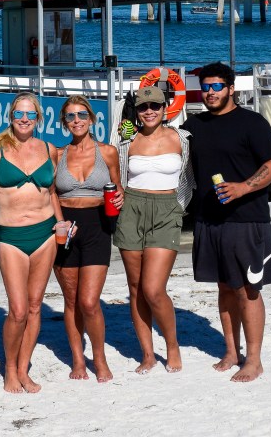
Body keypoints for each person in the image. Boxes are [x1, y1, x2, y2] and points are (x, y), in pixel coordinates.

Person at [182, 62, 271, 383]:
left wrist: (243, 187)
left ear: (230, 89)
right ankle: (231, 351)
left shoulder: (251, 122)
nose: (210, 93)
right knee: (224, 287)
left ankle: (253, 359)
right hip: (208, 217)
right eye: (205, 88)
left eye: (216, 87)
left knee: (248, 289)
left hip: (246, 218)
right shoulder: (193, 125)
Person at [113, 86, 193, 374]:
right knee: (135, 289)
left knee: (153, 289)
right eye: (143, 107)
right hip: (131, 210)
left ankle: (172, 346)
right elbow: (114, 171)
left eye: (155, 107)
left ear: (165, 109)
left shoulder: (182, 139)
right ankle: (147, 354)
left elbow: (193, 175)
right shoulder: (126, 140)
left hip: (166, 210)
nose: (149, 112)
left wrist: (181, 208)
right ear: (136, 111)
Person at [0, 93, 66, 393]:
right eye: (19, 114)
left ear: (38, 118)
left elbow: (53, 192)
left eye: (30, 114)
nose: (24, 119)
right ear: (10, 116)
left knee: (35, 308)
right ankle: (9, 369)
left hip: (46, 234)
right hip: (10, 237)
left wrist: (60, 223)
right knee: (18, 310)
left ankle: (24, 369)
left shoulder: (49, 149)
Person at [53, 95, 122, 382]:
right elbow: (50, 193)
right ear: (64, 122)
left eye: (82, 115)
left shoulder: (107, 152)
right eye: (70, 116)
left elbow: (119, 187)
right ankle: (78, 361)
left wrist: (121, 196)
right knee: (71, 301)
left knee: (90, 301)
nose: (77, 120)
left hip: (97, 227)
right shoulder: (56, 154)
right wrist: (59, 222)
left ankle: (100, 359)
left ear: (92, 119)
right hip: (65, 229)